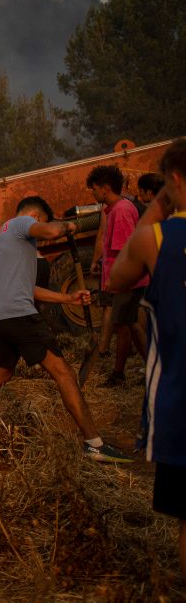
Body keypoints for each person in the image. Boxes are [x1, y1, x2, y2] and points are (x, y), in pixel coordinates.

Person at [0, 195, 133, 463]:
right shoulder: (22, 223)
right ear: (35, 217)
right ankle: (94, 443)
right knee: (63, 372)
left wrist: (67, 298)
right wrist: (66, 227)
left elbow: (27, 289)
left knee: (3, 372)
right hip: (19, 315)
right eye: (41, 222)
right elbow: (49, 231)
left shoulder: (1, 241)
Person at [107, 139, 186, 573]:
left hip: (179, 401)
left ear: (173, 180)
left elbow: (119, 279)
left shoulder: (157, 238)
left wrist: (158, 204)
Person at [87, 164, 148, 387]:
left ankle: (122, 373)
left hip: (125, 281)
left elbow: (125, 252)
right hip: (124, 279)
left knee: (124, 325)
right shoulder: (116, 209)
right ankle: (147, 367)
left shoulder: (121, 211)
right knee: (128, 324)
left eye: (94, 189)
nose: (92, 194)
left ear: (104, 189)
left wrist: (115, 280)